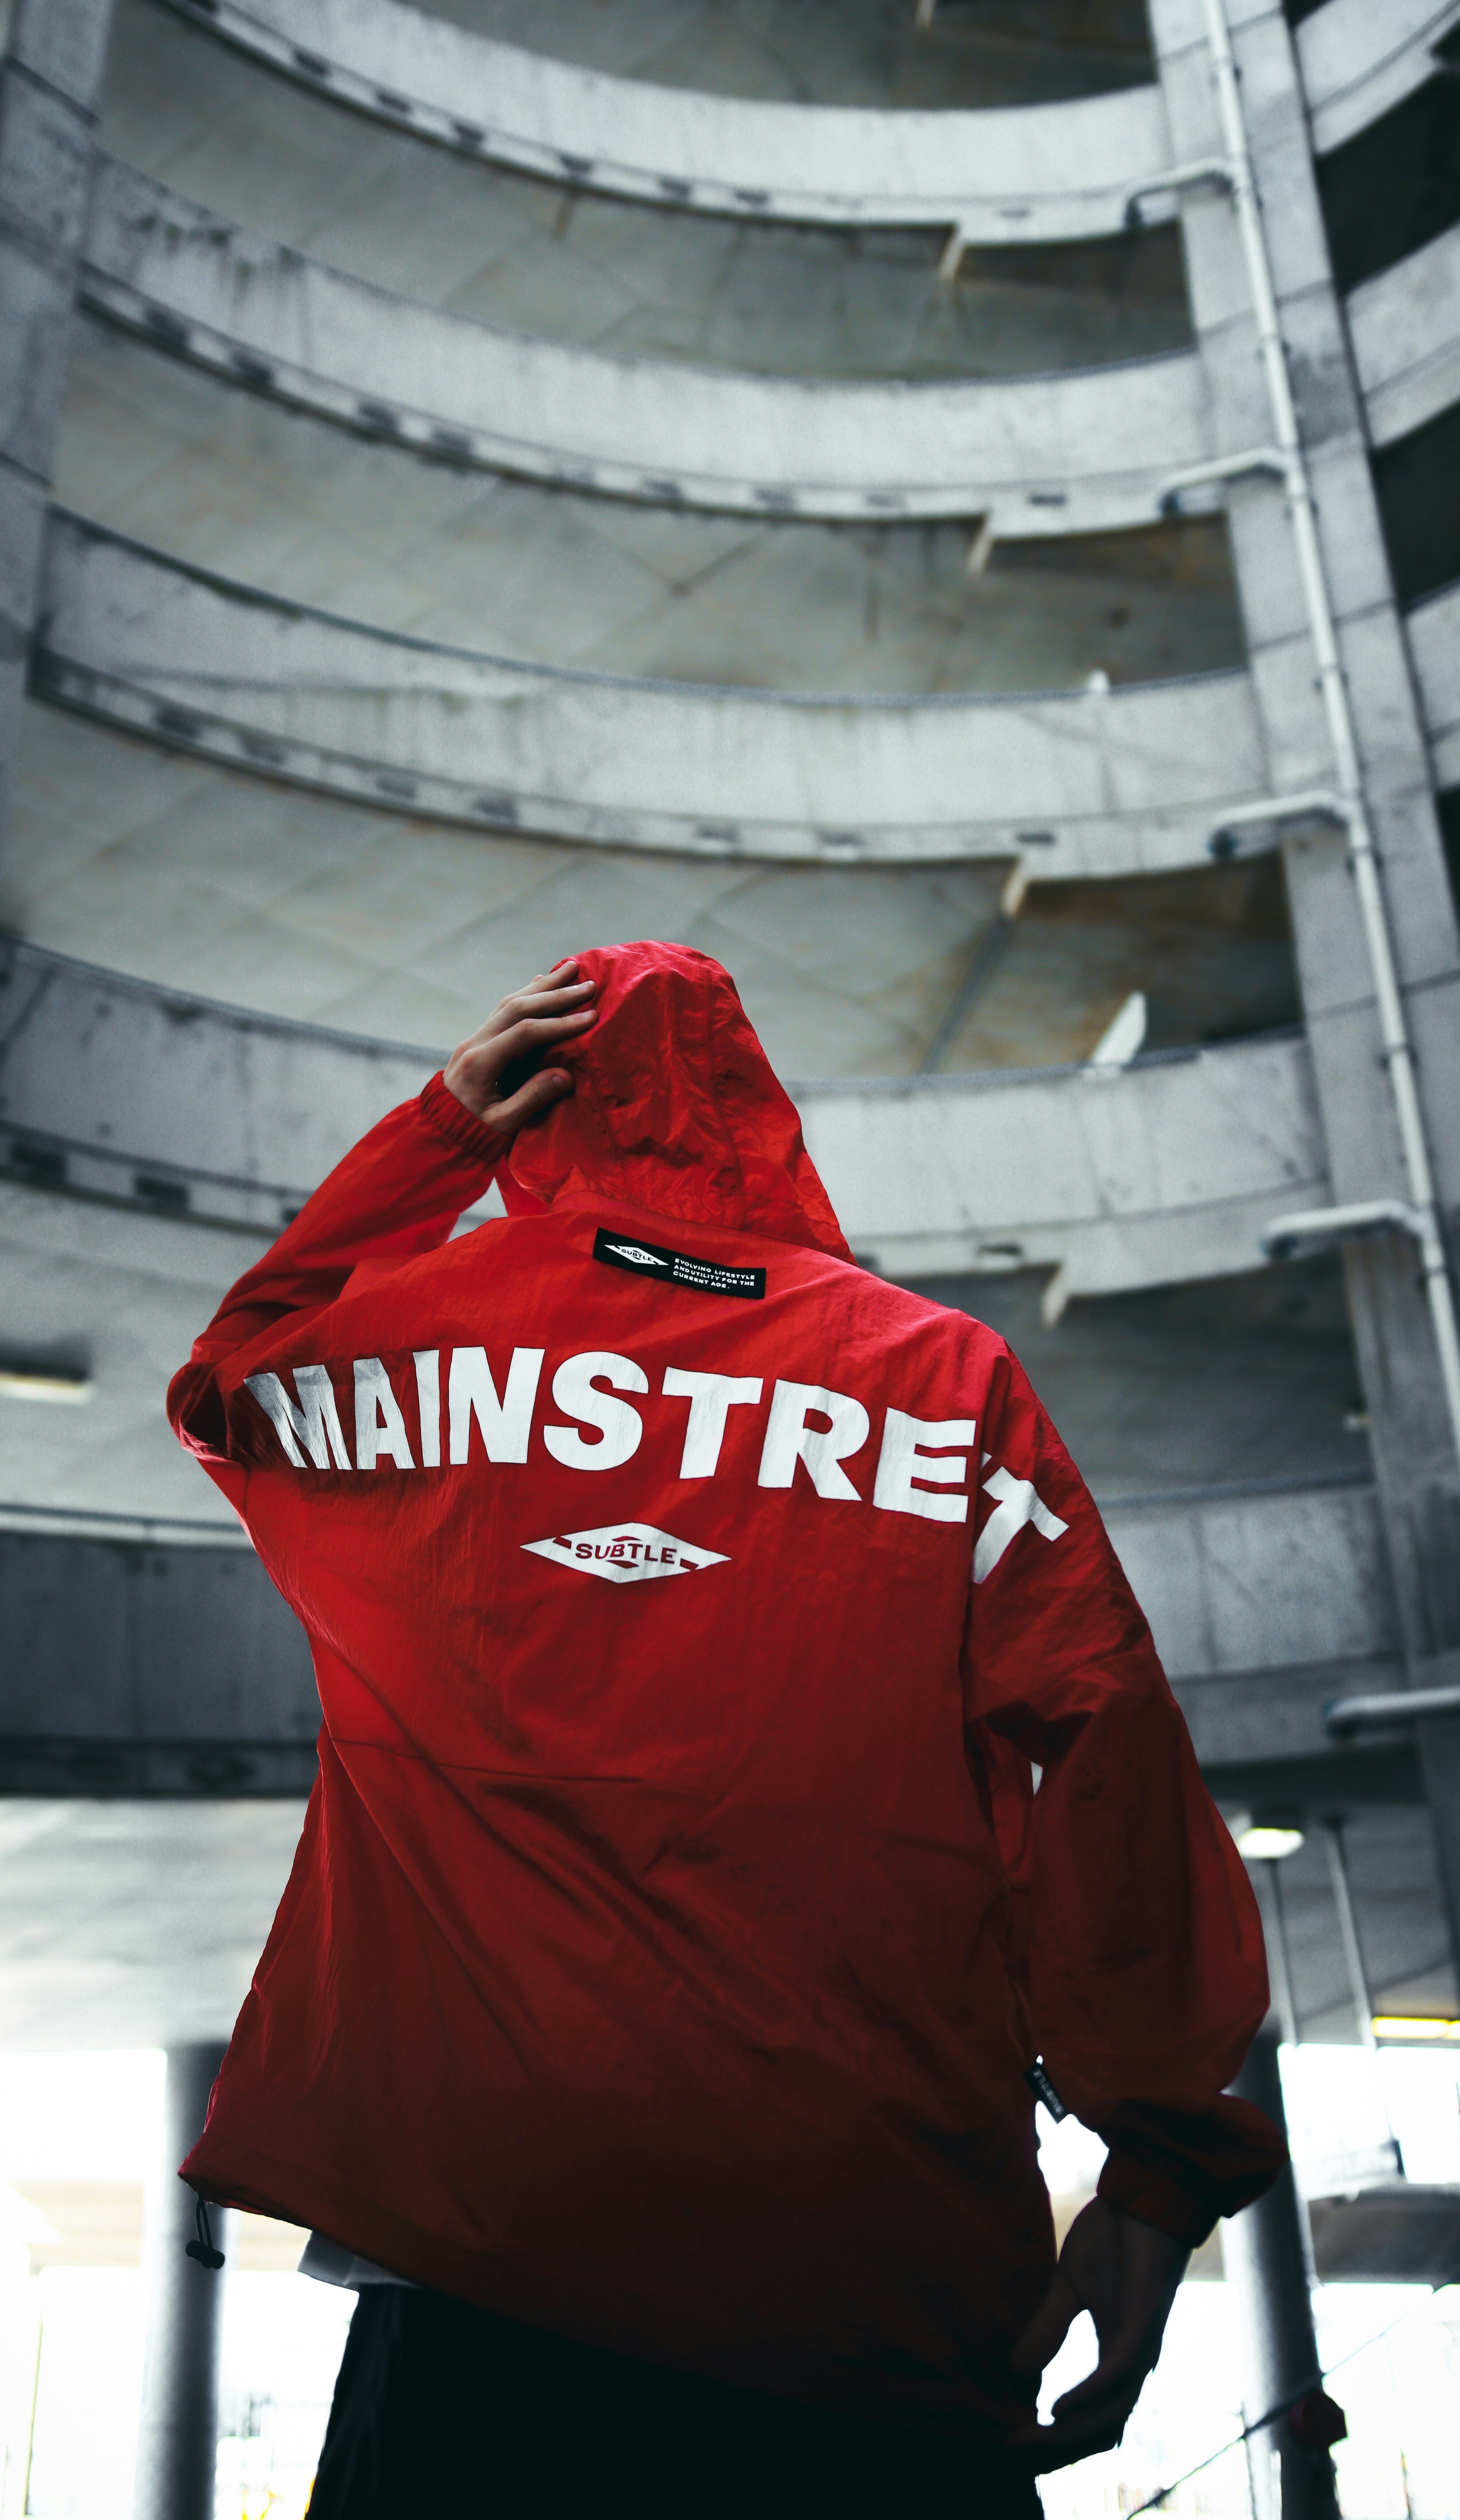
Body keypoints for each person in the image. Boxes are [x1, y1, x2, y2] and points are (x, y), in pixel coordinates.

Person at [167, 943, 1284, 2517]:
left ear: (541, 1105)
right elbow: (1105, 1750)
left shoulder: (420, 1344)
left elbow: (228, 1378)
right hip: (872, 2296)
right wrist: (1155, 2183)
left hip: (485, 2280)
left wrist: (434, 1137)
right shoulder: (940, 1380)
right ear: (762, 1114)